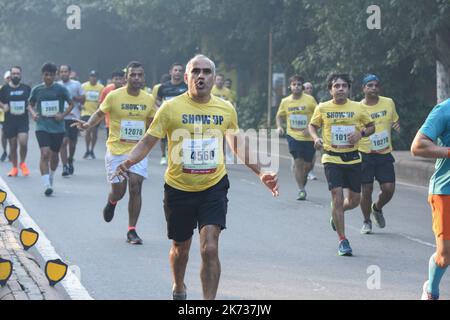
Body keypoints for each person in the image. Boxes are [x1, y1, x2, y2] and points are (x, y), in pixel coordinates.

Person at [114, 54, 279, 300]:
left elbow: (237, 143)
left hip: (213, 186)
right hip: (179, 188)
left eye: (206, 72)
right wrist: (128, 161)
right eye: (196, 72)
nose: (201, 76)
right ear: (187, 77)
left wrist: (261, 172)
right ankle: (179, 286)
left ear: (214, 78)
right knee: (181, 249)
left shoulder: (225, 108)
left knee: (210, 248)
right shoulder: (170, 108)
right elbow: (149, 140)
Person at [72, 61, 156, 245]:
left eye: (139, 75)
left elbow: (152, 124)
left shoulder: (148, 99)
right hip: (116, 151)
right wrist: (87, 125)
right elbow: (100, 114)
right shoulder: (114, 96)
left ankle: (131, 230)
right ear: (126, 77)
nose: (136, 78)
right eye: (132, 75)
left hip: (138, 151)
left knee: (135, 186)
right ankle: (112, 202)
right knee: (119, 192)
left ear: (144, 78)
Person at [309, 73, 375, 256]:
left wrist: (361, 134)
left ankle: (336, 214)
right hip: (331, 158)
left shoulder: (357, 107)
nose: (340, 89)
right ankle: (343, 240)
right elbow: (312, 126)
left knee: (354, 200)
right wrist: (315, 138)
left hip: (353, 158)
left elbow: (372, 126)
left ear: (348, 89)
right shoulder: (322, 107)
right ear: (330, 89)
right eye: (336, 86)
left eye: (344, 86)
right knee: (336, 196)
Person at [411, 97, 450, 300]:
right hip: (446, 189)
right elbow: (418, 146)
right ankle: (431, 290)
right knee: (445, 256)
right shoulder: (444, 110)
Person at [358, 74, 400, 234]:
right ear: (363, 88)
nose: (374, 88)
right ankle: (366, 221)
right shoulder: (358, 107)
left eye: (376, 85)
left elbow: (395, 120)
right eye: (370, 85)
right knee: (366, 189)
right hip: (365, 153)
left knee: (389, 189)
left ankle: (377, 208)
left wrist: (397, 127)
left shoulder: (388, 102)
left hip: (384, 153)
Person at [28, 62, 73, 196]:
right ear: (42, 75)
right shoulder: (37, 89)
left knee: (54, 156)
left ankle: (51, 174)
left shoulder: (60, 89)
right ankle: (46, 184)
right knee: (45, 154)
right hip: (42, 126)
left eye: (51, 75)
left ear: (55, 76)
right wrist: (34, 114)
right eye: (46, 75)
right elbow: (30, 104)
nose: (48, 77)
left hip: (58, 128)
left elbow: (71, 104)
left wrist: (62, 115)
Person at [276, 75, 317, 200]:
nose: (296, 87)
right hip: (293, 136)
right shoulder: (285, 101)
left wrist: (311, 128)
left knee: (308, 165)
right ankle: (301, 190)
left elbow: (319, 115)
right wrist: (279, 126)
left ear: (302, 87)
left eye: (299, 84)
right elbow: (279, 116)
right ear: (290, 86)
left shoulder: (310, 100)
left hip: (308, 137)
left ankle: (302, 180)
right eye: (294, 84)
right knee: (298, 161)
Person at [0, 66, 32, 177]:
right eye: (13, 73)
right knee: (13, 146)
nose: (15, 75)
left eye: (17, 73)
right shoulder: (4, 89)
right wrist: (3, 105)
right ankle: (14, 168)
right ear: (11, 75)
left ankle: (22, 163)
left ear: (21, 75)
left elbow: (31, 102)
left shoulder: (26, 88)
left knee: (23, 142)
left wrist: (31, 109)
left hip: (22, 120)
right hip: (10, 121)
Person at [156, 63, 188, 165]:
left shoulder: (186, 87)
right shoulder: (163, 87)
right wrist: (161, 107)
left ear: (183, 73)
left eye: (180, 70)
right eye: (175, 70)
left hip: (181, 116)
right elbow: (157, 100)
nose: (178, 72)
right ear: (171, 72)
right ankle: (163, 156)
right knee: (163, 137)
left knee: (181, 136)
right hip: (167, 116)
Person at [58, 65, 85, 176]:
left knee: (72, 143)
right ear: (59, 73)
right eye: (62, 72)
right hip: (62, 118)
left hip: (74, 117)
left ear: (70, 73)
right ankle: (64, 166)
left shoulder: (76, 84)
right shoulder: (57, 85)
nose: (64, 73)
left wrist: (72, 98)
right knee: (63, 142)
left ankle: (70, 159)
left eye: (66, 71)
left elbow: (83, 100)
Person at [81, 70, 105, 159]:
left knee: (94, 132)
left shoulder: (101, 87)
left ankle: (92, 150)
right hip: (86, 112)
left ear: (97, 78)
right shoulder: (84, 86)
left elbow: (102, 100)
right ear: (89, 77)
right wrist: (81, 105)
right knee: (88, 130)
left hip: (96, 113)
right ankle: (87, 149)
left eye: (95, 76)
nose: (93, 78)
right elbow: (81, 96)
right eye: (91, 76)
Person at [99, 70, 126, 138]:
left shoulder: (128, 90)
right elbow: (102, 105)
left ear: (124, 80)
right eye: (116, 79)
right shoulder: (106, 90)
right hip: (110, 123)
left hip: (125, 123)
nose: (118, 81)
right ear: (112, 80)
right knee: (111, 144)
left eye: (120, 79)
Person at [303, 82, 318, 181]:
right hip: (299, 133)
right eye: (307, 88)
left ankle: (310, 171)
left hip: (311, 131)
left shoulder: (313, 101)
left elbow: (318, 113)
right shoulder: (297, 100)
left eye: (310, 88)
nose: (309, 90)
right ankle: (300, 168)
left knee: (312, 154)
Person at [0, 71, 11, 161]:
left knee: (13, 135)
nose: (9, 79)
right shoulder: (1, 88)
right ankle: (5, 151)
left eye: (10, 78)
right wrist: (3, 106)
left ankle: (12, 152)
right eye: (8, 78)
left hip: (14, 116)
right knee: (4, 134)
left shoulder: (16, 88)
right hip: (3, 115)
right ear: (5, 79)